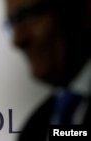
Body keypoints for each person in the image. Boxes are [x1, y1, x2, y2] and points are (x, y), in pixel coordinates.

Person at [6, 0, 91, 140]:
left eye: (28, 15)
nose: (17, 40)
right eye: (11, 23)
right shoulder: (33, 129)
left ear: (86, 10)